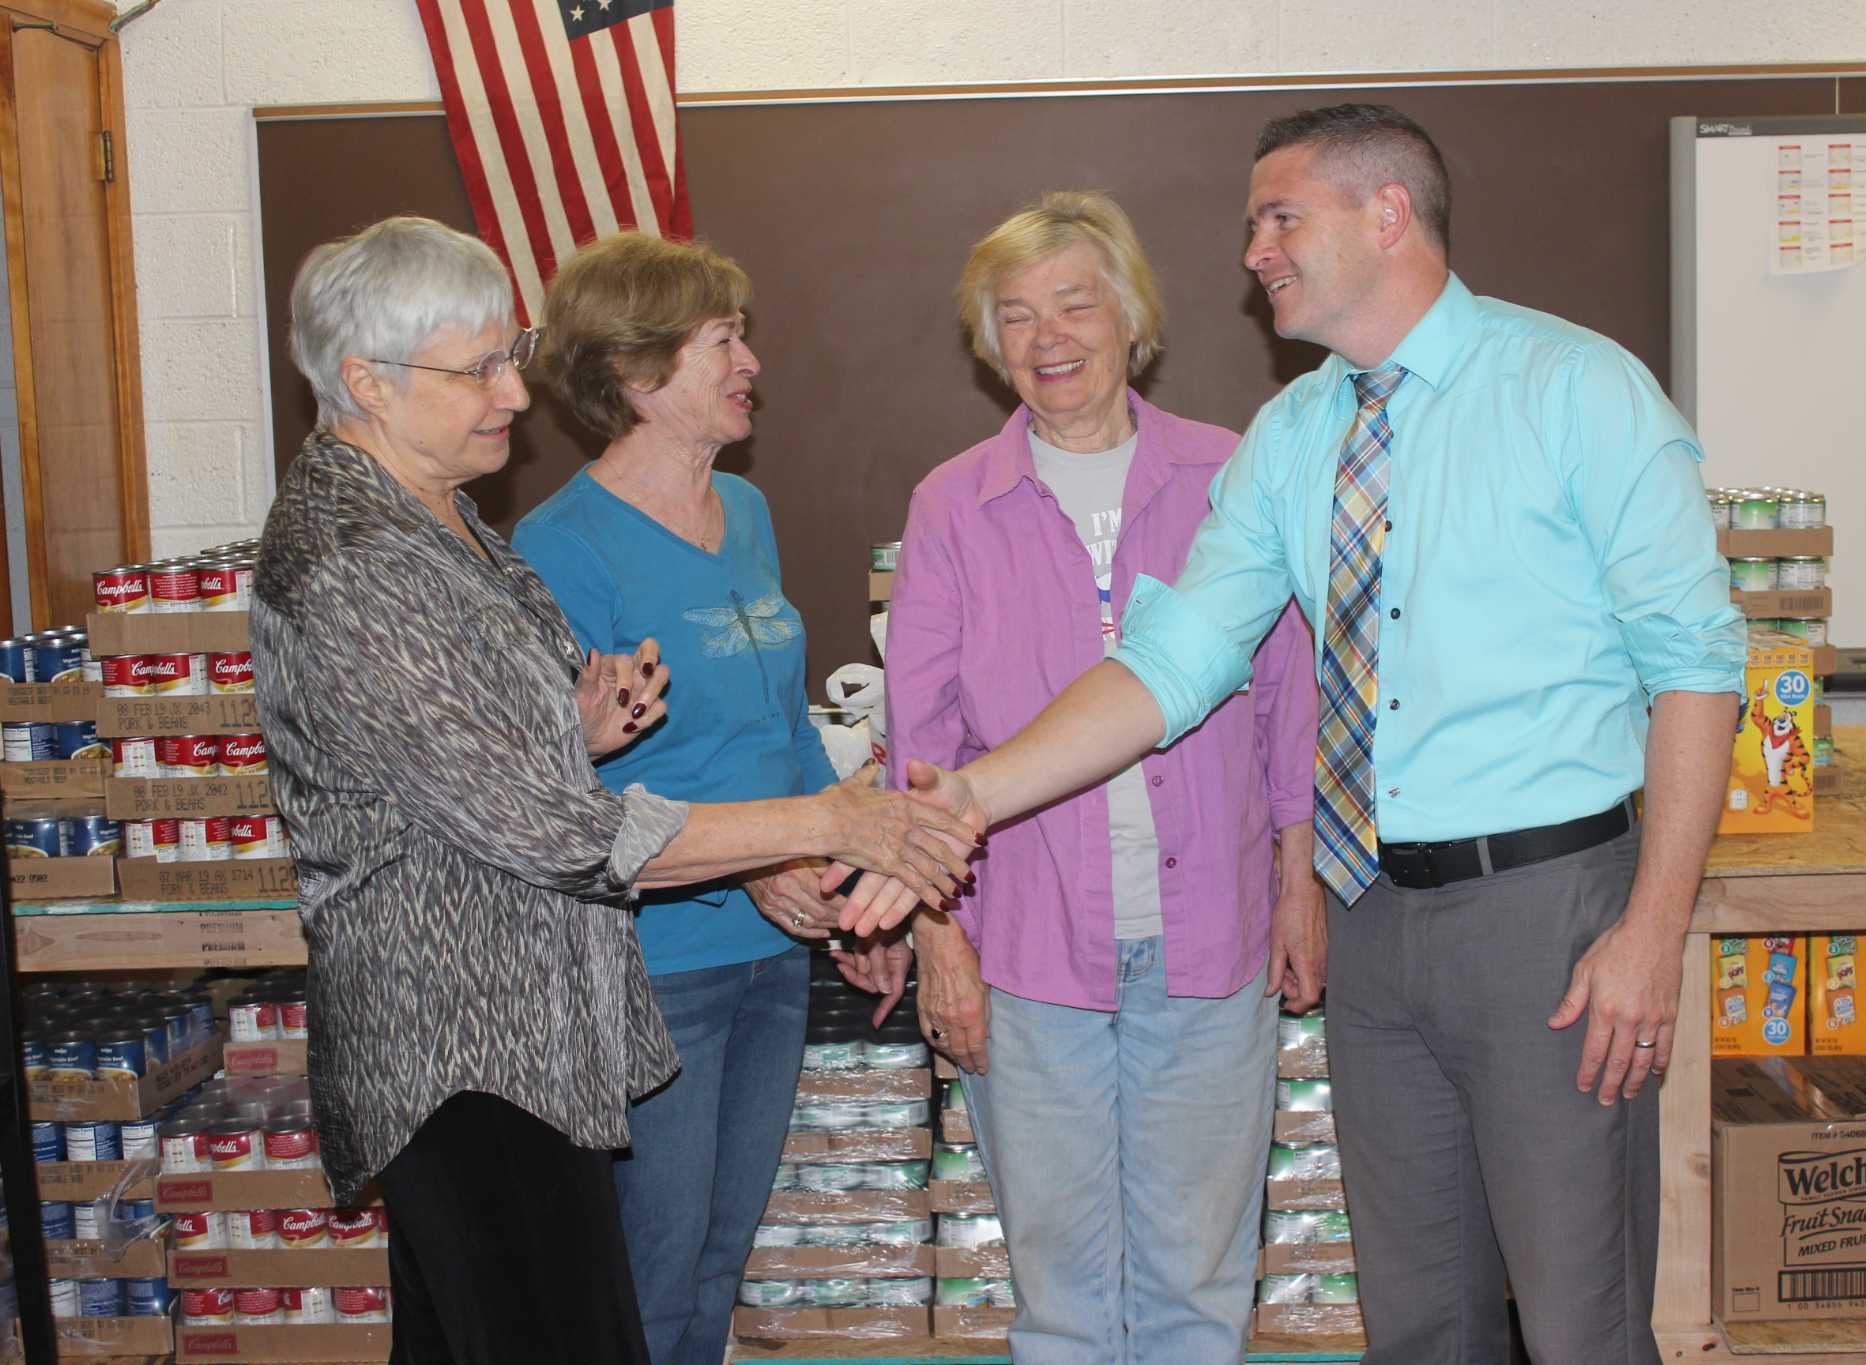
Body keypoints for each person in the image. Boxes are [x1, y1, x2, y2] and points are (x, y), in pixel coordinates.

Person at [845, 105, 1745, 1364]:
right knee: (1420, 1313)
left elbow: (1697, 666)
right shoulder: (1294, 435)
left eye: (1280, 219)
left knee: (1576, 1310)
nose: (1253, 251)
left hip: (1545, 916)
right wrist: (965, 805)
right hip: (1373, 919)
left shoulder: (1572, 387)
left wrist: (1653, 929)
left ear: (1384, 215)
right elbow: (1170, 661)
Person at [253, 216, 979, 1365]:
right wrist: (827, 820)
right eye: (481, 366)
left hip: (524, 1030)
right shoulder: (363, 561)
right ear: (367, 384)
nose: (514, 391)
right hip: (470, 1044)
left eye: (513, 350)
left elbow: (465, 766)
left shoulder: (435, 522)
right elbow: (550, 833)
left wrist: (569, 730)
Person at [882, 191, 1318, 1363]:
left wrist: (1295, 881)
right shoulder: (950, 506)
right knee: (1062, 1296)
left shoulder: (1232, 475)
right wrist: (939, 934)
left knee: (1197, 1282)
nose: (1046, 337)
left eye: (1073, 303)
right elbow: (917, 746)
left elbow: (1285, 700)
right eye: (1014, 315)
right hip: (1026, 952)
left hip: (1210, 939)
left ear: (1130, 317)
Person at [510, 231, 882, 1365]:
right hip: (653, 970)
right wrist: (766, 859)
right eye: (721, 339)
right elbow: (570, 784)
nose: (749, 360)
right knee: (652, 1275)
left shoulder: (749, 513)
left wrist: (851, 870)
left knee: (721, 1259)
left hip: (773, 957)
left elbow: (778, 732)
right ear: (634, 374)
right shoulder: (560, 546)